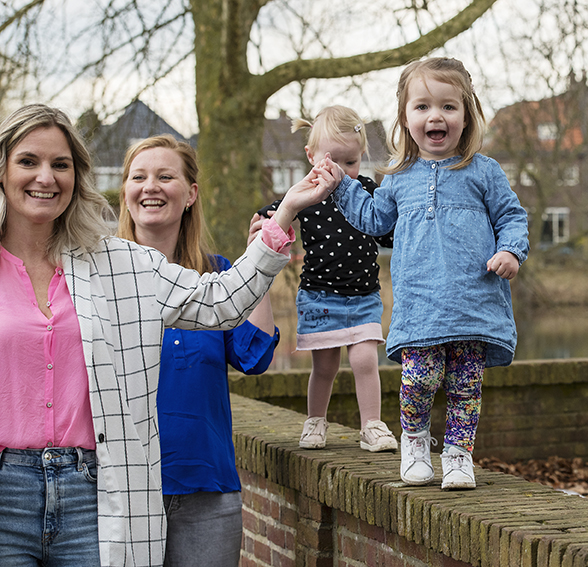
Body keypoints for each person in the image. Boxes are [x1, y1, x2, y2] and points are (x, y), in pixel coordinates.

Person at [0, 103, 335, 566]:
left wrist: (285, 214)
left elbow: (222, 301)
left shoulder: (115, 264)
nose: (46, 177)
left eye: (61, 164)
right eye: (28, 161)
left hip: (90, 493)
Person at [319, 58, 529, 490]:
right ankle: (414, 443)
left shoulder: (484, 171)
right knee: (419, 380)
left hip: (473, 306)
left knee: (466, 388)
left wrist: (510, 249)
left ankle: (458, 456)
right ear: (405, 118)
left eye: (448, 107)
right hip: (420, 307)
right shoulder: (397, 178)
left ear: (466, 116)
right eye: (422, 107)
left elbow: (512, 216)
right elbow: (373, 219)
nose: (436, 116)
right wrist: (340, 183)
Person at [117, 135, 279, 566]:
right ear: (125, 192)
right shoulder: (102, 280)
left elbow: (255, 356)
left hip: (208, 490)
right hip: (122, 489)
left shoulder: (217, 278)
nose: (150, 186)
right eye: (139, 177)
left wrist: (256, 265)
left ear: (190, 194)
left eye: (165, 176)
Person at [289, 106, 397, 453]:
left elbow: (386, 231)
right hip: (320, 297)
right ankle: (315, 420)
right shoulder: (306, 193)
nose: (340, 171)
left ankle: (372, 425)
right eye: (332, 161)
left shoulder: (366, 192)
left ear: (361, 156)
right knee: (325, 366)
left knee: (365, 360)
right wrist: (265, 223)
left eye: (350, 162)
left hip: (363, 295)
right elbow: (279, 215)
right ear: (312, 156)